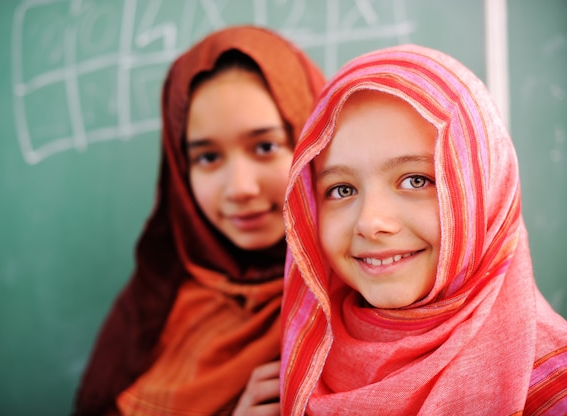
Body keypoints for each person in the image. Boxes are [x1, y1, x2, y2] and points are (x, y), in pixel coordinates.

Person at [280, 44, 567, 415]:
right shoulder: (308, 351)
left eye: (416, 180)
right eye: (342, 189)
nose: (371, 222)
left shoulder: (551, 383)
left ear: (484, 191)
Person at [72, 25, 324, 415]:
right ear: (180, 170)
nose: (239, 188)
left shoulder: (363, 302)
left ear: (313, 140)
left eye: (265, 146)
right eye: (207, 157)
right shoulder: (157, 303)